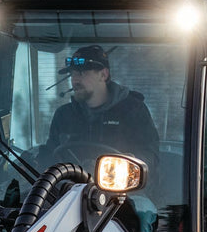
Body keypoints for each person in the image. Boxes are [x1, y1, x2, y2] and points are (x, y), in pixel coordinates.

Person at [42, 45, 160, 178]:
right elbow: (50, 155)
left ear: (103, 74)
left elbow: (150, 156)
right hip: (72, 192)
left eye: (82, 73)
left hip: (125, 193)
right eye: (73, 74)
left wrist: (121, 167)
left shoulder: (132, 110)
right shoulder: (64, 116)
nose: (75, 80)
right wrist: (32, 162)